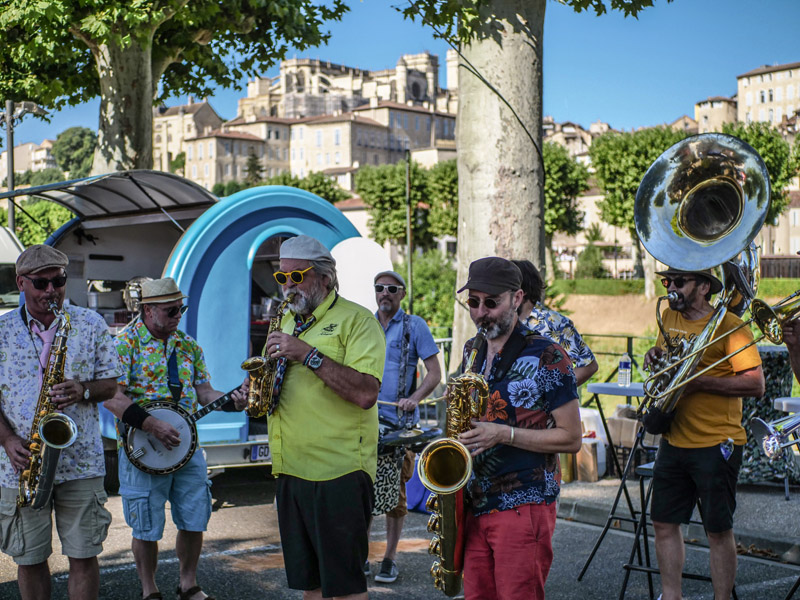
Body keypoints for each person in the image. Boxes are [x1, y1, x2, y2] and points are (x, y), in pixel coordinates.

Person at [103, 277, 247, 600]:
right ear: (148, 310)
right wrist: (152, 424)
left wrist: (234, 401)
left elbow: (206, 393)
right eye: (171, 310)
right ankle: (149, 590)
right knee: (145, 526)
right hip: (142, 450)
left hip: (186, 449)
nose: (178, 315)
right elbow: (112, 397)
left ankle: (188, 585)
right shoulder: (124, 344)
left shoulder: (189, 346)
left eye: (181, 309)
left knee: (195, 517)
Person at [262, 235, 385, 600]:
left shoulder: (358, 321)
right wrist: (253, 390)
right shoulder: (285, 320)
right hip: (291, 468)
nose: (288, 286)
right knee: (310, 586)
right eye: (282, 277)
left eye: (297, 276)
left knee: (345, 588)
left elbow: (365, 393)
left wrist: (308, 354)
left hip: (338, 472)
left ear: (325, 278)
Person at [455, 257, 582, 600]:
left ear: (517, 298)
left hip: (523, 502)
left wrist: (504, 433)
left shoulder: (548, 355)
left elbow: (571, 438)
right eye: (473, 302)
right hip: (474, 500)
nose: (481, 313)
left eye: (491, 303)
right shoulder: (472, 351)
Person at [0, 245, 122, 600]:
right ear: (21, 283)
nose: (52, 291)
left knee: (84, 555)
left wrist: (83, 389)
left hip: (81, 461)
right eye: (41, 283)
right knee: (30, 557)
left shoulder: (89, 323)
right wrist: (7, 439)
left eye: (59, 281)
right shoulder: (1, 330)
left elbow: (111, 385)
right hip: (20, 464)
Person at [642, 267, 764, 600]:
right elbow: (669, 362)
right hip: (674, 439)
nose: (671, 287)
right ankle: (672, 596)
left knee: (717, 531)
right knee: (663, 523)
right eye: (667, 281)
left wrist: (698, 382)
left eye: (679, 282)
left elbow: (756, 384)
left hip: (716, 442)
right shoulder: (669, 316)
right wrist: (655, 356)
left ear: (704, 287)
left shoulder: (730, 326)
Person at [369, 270, 441, 583]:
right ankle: (361, 556)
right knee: (361, 490)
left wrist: (414, 398)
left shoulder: (416, 326)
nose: (385, 293)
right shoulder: (365, 324)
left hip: (399, 427)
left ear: (402, 294)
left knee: (395, 495)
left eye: (392, 288)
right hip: (366, 422)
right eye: (380, 288)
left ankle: (389, 558)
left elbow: (435, 372)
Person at [512, 259, 598, 385]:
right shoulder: (503, 321)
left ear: (522, 291)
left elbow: (588, 365)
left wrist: (555, 390)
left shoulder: (555, 323)